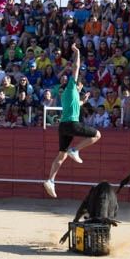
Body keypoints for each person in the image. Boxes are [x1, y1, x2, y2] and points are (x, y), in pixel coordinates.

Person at [43, 43, 101, 198]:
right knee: (97, 135)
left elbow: (77, 104)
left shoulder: (70, 96)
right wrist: (77, 52)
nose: (80, 85)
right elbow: (76, 67)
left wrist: (83, 100)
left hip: (63, 126)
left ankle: (50, 180)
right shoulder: (70, 88)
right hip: (71, 124)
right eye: (79, 84)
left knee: (61, 156)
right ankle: (75, 150)